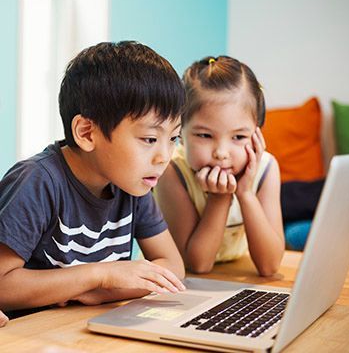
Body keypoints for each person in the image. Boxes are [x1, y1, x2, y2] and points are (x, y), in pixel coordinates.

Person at [0, 41, 186, 315]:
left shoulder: (133, 185)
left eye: (173, 139)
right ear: (87, 133)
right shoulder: (37, 182)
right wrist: (101, 276)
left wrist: (100, 293)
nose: (164, 156)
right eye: (149, 139)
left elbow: (173, 266)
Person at [155, 56, 285, 276]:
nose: (221, 153)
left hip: (231, 277)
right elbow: (198, 264)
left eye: (239, 137)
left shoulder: (266, 169)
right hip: (183, 283)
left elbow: (270, 266)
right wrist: (220, 198)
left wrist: (245, 194)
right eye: (205, 135)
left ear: (256, 134)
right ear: (181, 133)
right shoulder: (172, 171)